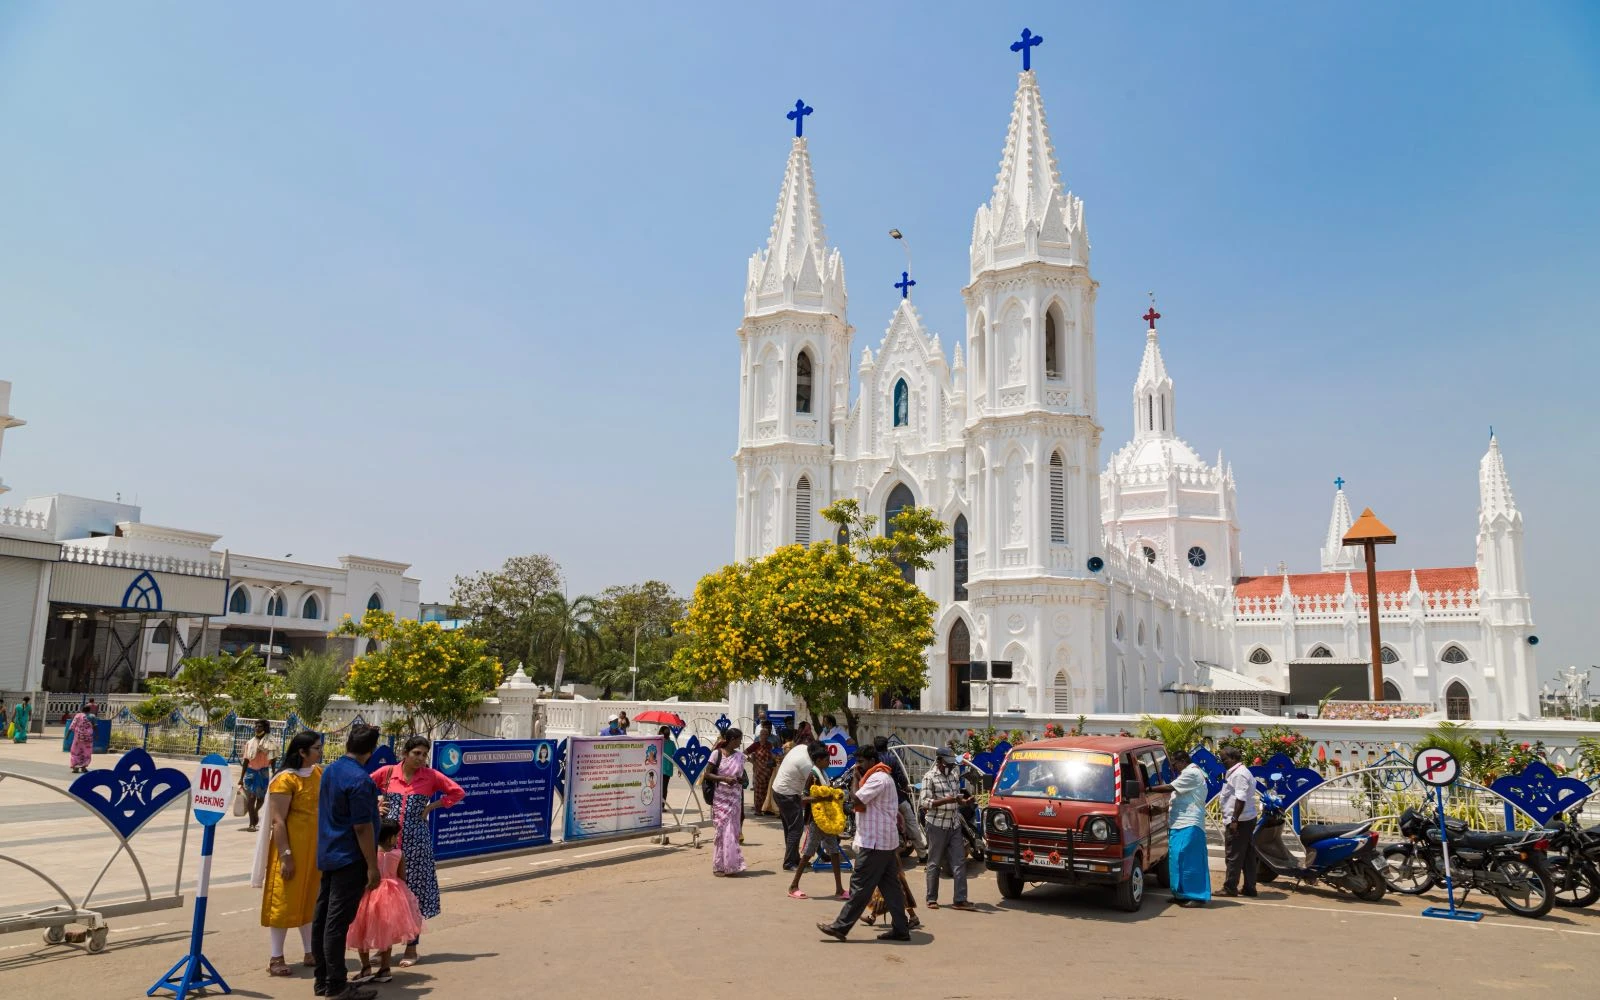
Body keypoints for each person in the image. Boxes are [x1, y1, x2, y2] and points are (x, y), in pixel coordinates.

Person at [369, 736, 464, 969]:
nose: (421, 758)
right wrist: (376, 804)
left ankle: (412, 946)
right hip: (387, 845)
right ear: (405, 753)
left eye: (424, 754)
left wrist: (432, 806)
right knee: (384, 895)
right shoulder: (388, 773)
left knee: (413, 894)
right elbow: (362, 788)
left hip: (417, 846)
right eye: (417, 753)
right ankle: (383, 946)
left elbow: (457, 793)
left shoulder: (430, 777)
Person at [816, 744, 912, 942]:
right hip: (883, 841)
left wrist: (854, 781)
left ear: (871, 761)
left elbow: (857, 800)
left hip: (875, 842)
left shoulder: (878, 778)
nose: (857, 766)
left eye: (860, 762)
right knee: (891, 887)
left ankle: (841, 927)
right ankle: (901, 929)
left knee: (860, 885)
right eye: (856, 762)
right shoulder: (880, 777)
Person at [314, 724, 382, 1000]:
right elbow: (362, 827)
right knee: (336, 923)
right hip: (349, 857)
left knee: (322, 920)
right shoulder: (361, 780)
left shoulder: (330, 770)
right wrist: (372, 865)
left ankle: (323, 980)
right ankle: (336, 986)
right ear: (372, 751)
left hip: (329, 852)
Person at [254, 730, 324, 979]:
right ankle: (276, 957)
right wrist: (285, 855)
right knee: (283, 903)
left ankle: (310, 952)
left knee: (309, 900)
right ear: (301, 752)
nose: (320, 751)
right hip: (290, 850)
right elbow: (277, 821)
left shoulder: (318, 773)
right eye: (316, 748)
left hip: (313, 851)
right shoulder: (285, 780)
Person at [349, 818, 426, 985]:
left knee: (361, 930)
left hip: (368, 893)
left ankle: (365, 968)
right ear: (391, 837)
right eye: (396, 835)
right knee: (386, 933)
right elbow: (403, 876)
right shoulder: (398, 853)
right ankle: (385, 968)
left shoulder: (369, 853)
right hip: (392, 896)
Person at [1145, 750, 1211, 907]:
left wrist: (1148, 789)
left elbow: (1170, 788)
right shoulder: (1186, 774)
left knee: (1189, 860)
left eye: (1174, 763)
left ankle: (1196, 896)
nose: (1173, 767)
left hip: (1190, 824)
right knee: (1176, 859)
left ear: (1182, 761)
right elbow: (1178, 800)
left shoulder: (1192, 773)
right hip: (1178, 823)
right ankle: (1180, 893)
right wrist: (1161, 810)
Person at [786, 744, 847, 901]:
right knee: (808, 853)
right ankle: (793, 886)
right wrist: (823, 798)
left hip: (827, 821)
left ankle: (839, 889)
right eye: (827, 759)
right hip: (815, 821)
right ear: (819, 760)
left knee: (834, 852)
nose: (829, 762)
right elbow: (803, 799)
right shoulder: (813, 775)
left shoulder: (823, 774)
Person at [920, 748, 974, 910]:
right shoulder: (929, 777)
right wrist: (945, 800)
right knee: (934, 863)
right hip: (936, 825)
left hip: (954, 823)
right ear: (939, 761)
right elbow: (925, 803)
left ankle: (960, 899)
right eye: (947, 764)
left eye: (952, 765)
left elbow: (956, 799)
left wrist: (965, 802)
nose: (950, 767)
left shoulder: (954, 776)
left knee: (959, 862)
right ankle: (931, 899)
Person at [875, 736, 927, 863]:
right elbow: (900, 777)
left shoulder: (872, 760)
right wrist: (906, 788)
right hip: (897, 799)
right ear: (886, 745)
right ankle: (922, 854)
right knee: (911, 823)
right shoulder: (891, 759)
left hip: (878, 801)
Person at [1217, 747, 1259, 898]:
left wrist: (1234, 820)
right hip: (1245, 819)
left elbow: (1240, 798)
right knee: (1247, 855)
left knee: (1233, 855)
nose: (1222, 763)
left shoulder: (1239, 774)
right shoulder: (1239, 772)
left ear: (1233, 758)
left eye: (1224, 759)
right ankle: (1249, 887)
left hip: (1240, 820)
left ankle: (1230, 888)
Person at [705, 727, 747, 876]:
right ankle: (718, 865)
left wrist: (740, 780)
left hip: (734, 798)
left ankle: (731, 865)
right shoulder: (716, 754)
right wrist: (724, 779)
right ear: (732, 740)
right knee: (721, 831)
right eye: (739, 739)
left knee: (732, 831)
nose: (741, 742)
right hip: (720, 797)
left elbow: (744, 779)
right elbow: (707, 774)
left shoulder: (740, 757)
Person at [770, 735, 815, 871]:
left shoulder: (801, 747)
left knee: (790, 828)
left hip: (779, 790)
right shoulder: (807, 764)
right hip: (787, 795)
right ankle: (789, 862)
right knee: (795, 829)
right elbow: (813, 784)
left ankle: (794, 858)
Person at [239, 720, 277, 833]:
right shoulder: (250, 743)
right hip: (250, 772)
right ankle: (252, 823)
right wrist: (241, 778)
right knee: (251, 798)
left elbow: (273, 759)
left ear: (264, 728)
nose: (256, 728)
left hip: (263, 773)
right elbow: (246, 760)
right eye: (255, 726)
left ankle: (255, 812)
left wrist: (274, 773)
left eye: (259, 726)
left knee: (261, 799)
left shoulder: (270, 742)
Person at [745, 722, 777, 817]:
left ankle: (766, 808)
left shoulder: (770, 745)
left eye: (766, 734)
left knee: (767, 790)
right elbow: (744, 753)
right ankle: (758, 810)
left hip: (768, 771)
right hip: (758, 771)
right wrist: (752, 761)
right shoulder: (755, 745)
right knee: (759, 790)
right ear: (760, 735)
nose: (764, 736)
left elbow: (774, 756)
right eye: (763, 734)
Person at [67, 702, 96, 773]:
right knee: (87, 752)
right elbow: (95, 726)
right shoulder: (92, 716)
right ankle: (83, 767)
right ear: (89, 710)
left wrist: (67, 735)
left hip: (78, 738)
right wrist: (97, 735)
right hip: (88, 739)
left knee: (75, 751)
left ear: (82, 709)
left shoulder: (78, 715)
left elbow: (72, 725)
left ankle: (75, 767)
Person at [658, 725, 676, 802]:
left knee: (662, 788)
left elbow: (676, 755)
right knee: (661, 788)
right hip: (661, 769)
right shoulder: (658, 742)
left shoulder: (670, 743)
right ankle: (660, 805)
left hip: (664, 769)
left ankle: (661, 805)